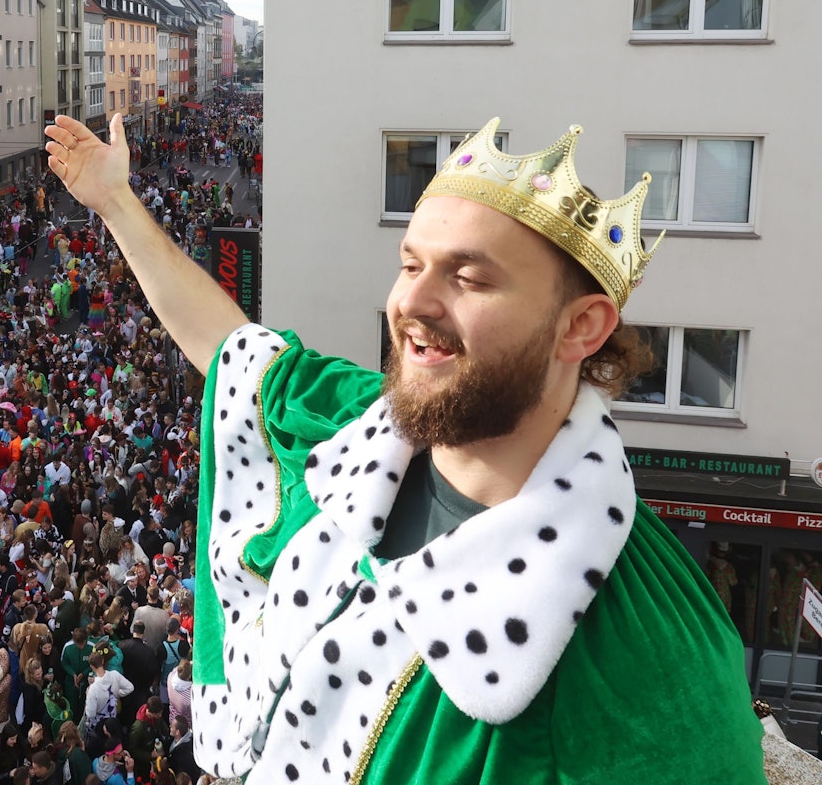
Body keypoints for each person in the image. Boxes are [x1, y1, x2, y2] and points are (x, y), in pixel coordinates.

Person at [41, 112, 765, 781]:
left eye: (470, 277)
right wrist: (115, 202)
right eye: (411, 264)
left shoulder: (652, 665)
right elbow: (230, 346)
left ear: (582, 328)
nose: (411, 304)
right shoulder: (359, 425)